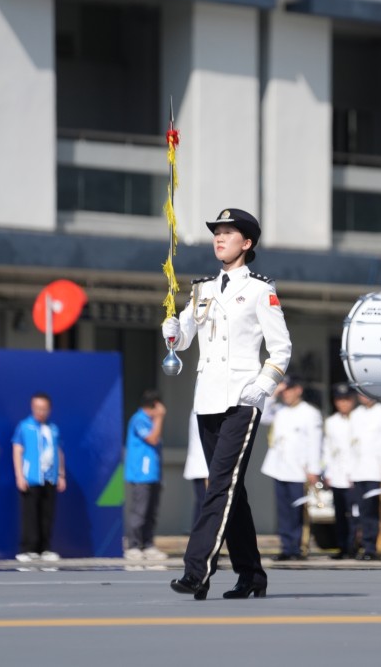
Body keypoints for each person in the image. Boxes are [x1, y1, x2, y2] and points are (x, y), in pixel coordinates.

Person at [161, 208, 292, 600]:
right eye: (217, 233)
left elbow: (281, 348)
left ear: (246, 243)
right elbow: (184, 340)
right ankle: (252, 573)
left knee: (218, 485)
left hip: (241, 398)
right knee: (231, 490)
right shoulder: (201, 288)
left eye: (228, 233)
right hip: (207, 399)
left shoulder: (259, 289)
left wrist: (264, 384)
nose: (219, 238)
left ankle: (196, 571)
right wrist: (172, 331)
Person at [261, 376, 323, 561]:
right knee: (283, 511)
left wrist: (314, 469)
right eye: (284, 390)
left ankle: (298, 547)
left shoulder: (310, 413)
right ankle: (286, 547)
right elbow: (263, 415)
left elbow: (315, 443)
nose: (286, 393)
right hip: (280, 468)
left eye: (289, 389)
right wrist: (274, 394)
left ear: (298, 390)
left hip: (299, 470)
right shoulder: (279, 410)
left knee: (298, 512)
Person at [11, 392, 65, 563]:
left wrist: (61, 474)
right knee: (30, 514)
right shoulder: (24, 426)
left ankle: (45, 548)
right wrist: (20, 476)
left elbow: (58, 451)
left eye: (44, 409)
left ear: (49, 409)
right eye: (37, 408)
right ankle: (27, 549)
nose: (40, 412)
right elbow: (17, 451)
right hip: (31, 477)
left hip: (49, 477)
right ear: (32, 408)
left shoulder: (53, 428)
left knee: (47, 514)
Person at [347, 393, 381, 560]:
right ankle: (363, 545)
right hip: (358, 470)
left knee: (372, 512)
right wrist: (349, 471)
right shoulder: (355, 414)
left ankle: (372, 547)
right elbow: (351, 444)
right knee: (360, 511)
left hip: (376, 469)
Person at [123, 390, 169, 561]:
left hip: (153, 474)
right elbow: (152, 439)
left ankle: (148, 544)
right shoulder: (139, 419)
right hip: (140, 475)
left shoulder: (149, 420)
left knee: (151, 512)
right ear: (154, 405)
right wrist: (159, 418)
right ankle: (133, 545)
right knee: (139, 511)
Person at [322, 383, 357, 559]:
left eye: (346, 400)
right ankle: (343, 546)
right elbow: (327, 448)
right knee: (340, 513)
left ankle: (354, 546)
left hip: (355, 474)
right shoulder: (331, 422)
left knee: (354, 514)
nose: (343, 404)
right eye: (339, 400)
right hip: (337, 474)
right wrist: (327, 472)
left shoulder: (359, 419)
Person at [183, 408, 209, 530]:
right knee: (205, 502)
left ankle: (198, 531)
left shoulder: (197, 410)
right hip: (203, 466)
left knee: (202, 502)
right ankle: (199, 532)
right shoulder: (201, 411)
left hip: (201, 465)